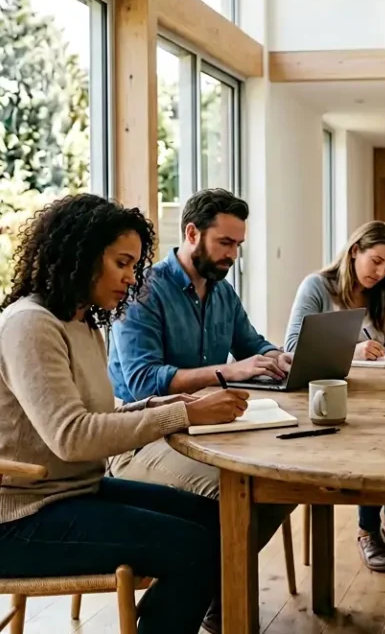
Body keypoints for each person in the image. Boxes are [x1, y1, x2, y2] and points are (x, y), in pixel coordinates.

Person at [0, 194, 251, 634]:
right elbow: (73, 437)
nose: (131, 277)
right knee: (194, 547)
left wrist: (179, 406)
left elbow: (99, 413)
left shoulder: (82, 322)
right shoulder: (31, 325)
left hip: (71, 492)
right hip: (10, 523)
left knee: (219, 520)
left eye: (134, 264)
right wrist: (184, 416)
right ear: (81, 256)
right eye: (122, 263)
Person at [105, 189, 294, 537]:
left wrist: (276, 357)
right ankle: (218, 571)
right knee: (251, 491)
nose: (233, 255)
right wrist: (226, 371)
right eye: (225, 243)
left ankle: (220, 570)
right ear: (192, 233)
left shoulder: (223, 291)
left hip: (210, 428)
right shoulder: (143, 290)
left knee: (286, 482)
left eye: (238, 245)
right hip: (142, 440)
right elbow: (143, 382)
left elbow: (250, 344)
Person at [283, 221, 385, 573]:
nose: (381, 273)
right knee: (377, 442)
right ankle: (367, 530)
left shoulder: (381, 295)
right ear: (355, 251)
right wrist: (352, 351)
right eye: (376, 261)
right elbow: (291, 348)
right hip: (325, 398)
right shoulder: (317, 287)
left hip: (374, 396)